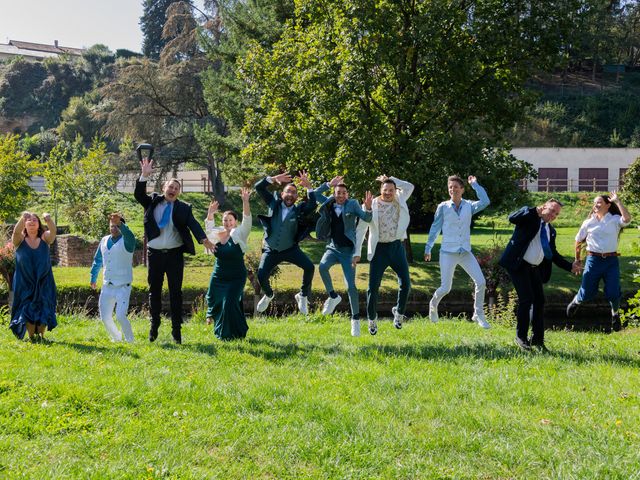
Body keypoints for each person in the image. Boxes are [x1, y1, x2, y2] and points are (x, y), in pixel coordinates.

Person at [135, 157, 214, 344]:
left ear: (179, 193)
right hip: (154, 255)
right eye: (170, 187)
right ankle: (154, 326)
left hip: (174, 255)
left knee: (175, 293)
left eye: (176, 188)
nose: (173, 190)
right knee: (154, 291)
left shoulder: (183, 208)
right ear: (164, 188)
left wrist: (203, 239)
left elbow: (193, 224)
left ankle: (176, 331)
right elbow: (139, 195)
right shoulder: (152, 201)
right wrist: (144, 175)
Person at [499, 199, 581, 352]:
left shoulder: (551, 230)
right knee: (527, 299)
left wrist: (570, 266)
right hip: (518, 265)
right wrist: (533, 210)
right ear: (544, 207)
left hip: (534, 268)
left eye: (556, 213)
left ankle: (538, 340)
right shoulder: (529, 217)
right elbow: (512, 218)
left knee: (539, 301)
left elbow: (553, 255)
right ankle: (521, 338)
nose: (553, 215)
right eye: (551, 211)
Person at [424, 175, 491, 328]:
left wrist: (475, 184)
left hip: (465, 252)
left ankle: (478, 314)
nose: (452, 189)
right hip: (447, 252)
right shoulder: (443, 207)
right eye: (450, 187)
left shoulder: (470, 205)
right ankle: (433, 305)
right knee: (446, 288)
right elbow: (435, 228)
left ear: (462, 189)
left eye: (455, 187)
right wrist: (428, 248)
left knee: (481, 282)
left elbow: (486, 201)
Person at [354, 175, 414, 335]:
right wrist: (357, 253)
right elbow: (361, 230)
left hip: (396, 247)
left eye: (391, 190)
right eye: (385, 190)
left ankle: (399, 314)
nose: (388, 193)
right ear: (380, 190)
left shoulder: (400, 198)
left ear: (395, 191)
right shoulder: (371, 204)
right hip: (379, 250)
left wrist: (390, 178)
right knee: (373, 288)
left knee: (406, 284)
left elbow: (409, 186)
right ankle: (372, 319)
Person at [254, 171, 319, 315]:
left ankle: (302, 295)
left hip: (290, 249)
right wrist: (272, 179)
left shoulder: (299, 210)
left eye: (293, 193)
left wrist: (309, 188)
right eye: (288, 191)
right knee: (261, 274)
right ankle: (269, 295)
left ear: (296, 197)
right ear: (282, 194)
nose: (290, 194)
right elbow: (258, 188)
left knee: (309, 267)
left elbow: (313, 204)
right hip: (270, 249)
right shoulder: (273, 204)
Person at [315, 176, 373, 336]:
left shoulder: (352, 204)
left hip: (348, 251)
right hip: (332, 247)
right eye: (338, 193)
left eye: (343, 193)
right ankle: (333, 297)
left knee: (351, 287)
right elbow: (313, 194)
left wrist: (368, 208)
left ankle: (355, 320)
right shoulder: (329, 202)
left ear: (347, 194)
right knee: (322, 267)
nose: (340, 195)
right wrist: (328, 184)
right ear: (334, 194)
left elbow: (367, 218)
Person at [566, 192, 631, 333]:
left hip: (611, 261)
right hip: (593, 260)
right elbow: (578, 241)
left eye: (599, 202)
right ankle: (577, 300)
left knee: (613, 293)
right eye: (595, 202)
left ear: (608, 205)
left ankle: (615, 314)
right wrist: (577, 260)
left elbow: (627, 219)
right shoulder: (588, 222)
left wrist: (618, 201)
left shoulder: (615, 219)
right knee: (587, 293)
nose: (596, 205)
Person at [204, 188, 252, 340]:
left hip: (236, 277)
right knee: (213, 299)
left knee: (230, 303)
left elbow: (247, 219)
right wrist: (210, 213)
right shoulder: (217, 233)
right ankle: (221, 328)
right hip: (219, 275)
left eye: (230, 220)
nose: (227, 222)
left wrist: (245, 201)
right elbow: (208, 228)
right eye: (225, 220)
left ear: (235, 221)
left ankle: (233, 334)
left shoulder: (240, 233)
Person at [9, 212, 57, 342]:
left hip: (44, 279)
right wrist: (21, 218)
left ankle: (41, 336)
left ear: (38, 224)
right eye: (28, 220)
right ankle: (31, 336)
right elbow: (15, 232)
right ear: (25, 223)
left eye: (34, 220)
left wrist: (48, 219)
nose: (31, 221)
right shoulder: (19, 240)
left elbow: (53, 232)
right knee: (26, 306)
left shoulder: (45, 238)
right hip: (24, 280)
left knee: (44, 304)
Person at [89, 213, 136, 343]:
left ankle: (130, 340)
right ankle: (116, 338)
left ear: (122, 226)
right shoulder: (104, 240)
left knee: (120, 316)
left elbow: (130, 235)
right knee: (105, 317)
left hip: (123, 286)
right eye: (111, 226)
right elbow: (98, 259)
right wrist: (93, 276)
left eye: (117, 226)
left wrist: (120, 223)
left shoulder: (128, 241)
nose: (113, 228)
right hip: (107, 286)